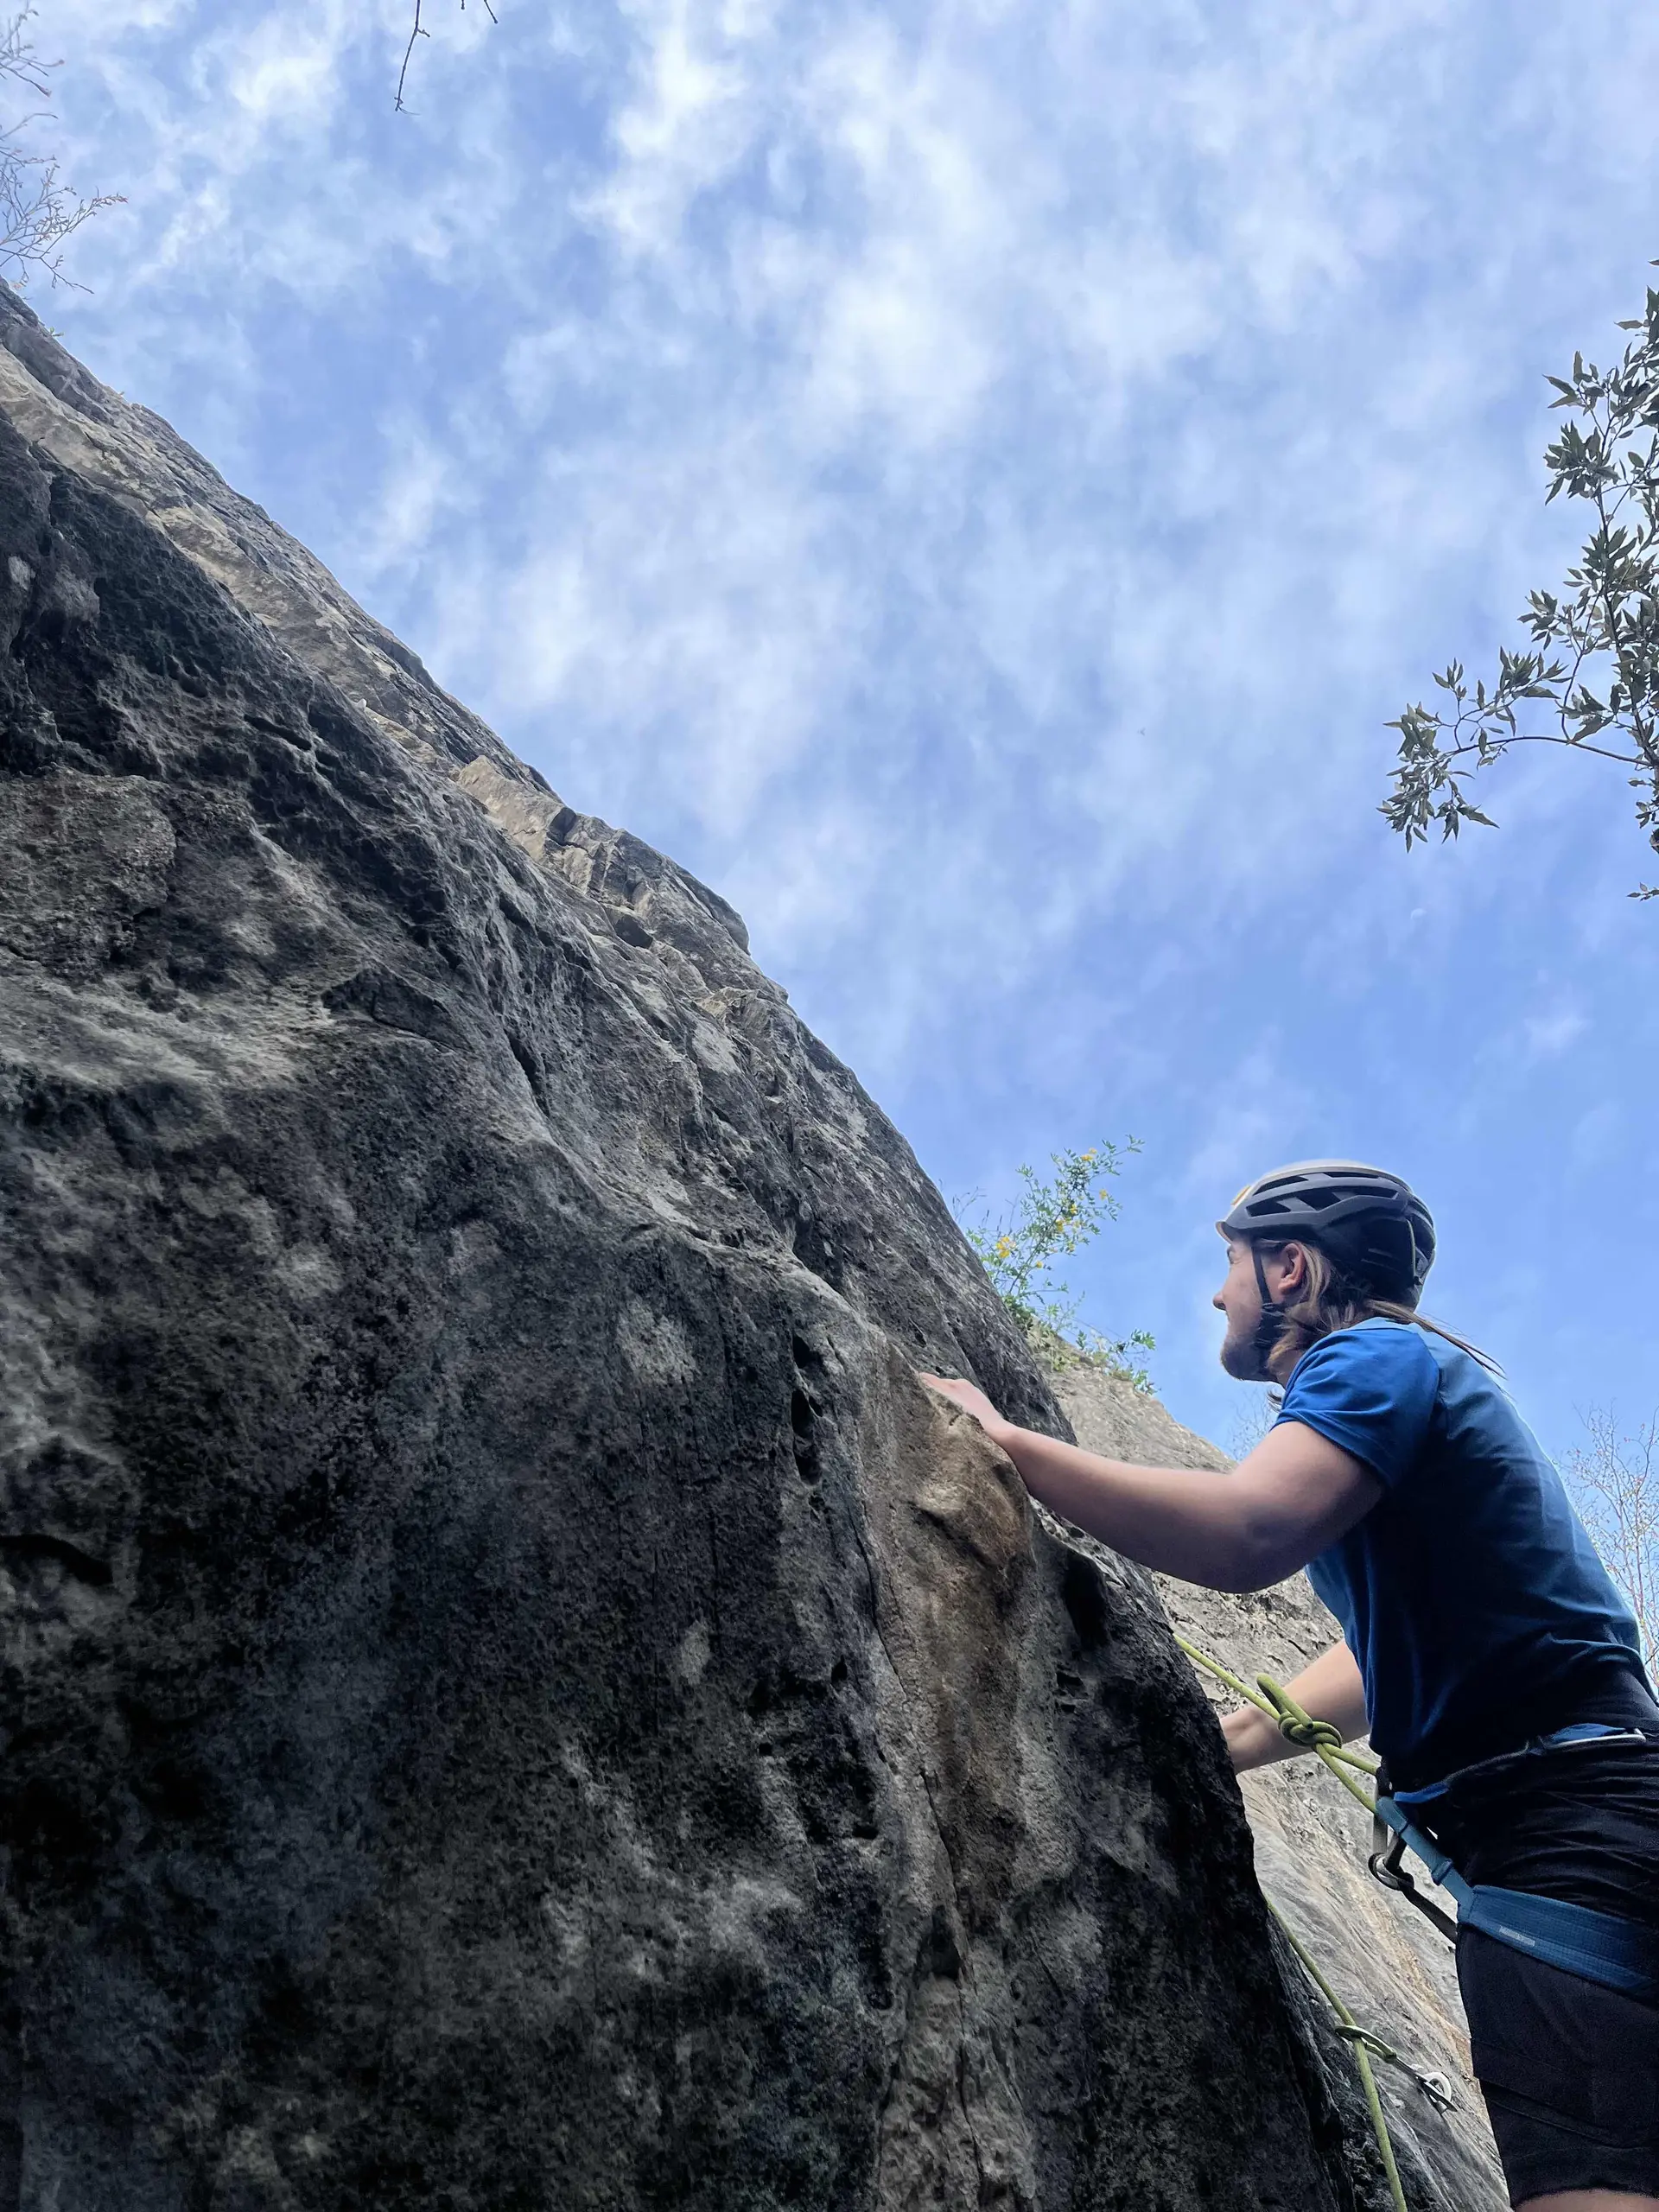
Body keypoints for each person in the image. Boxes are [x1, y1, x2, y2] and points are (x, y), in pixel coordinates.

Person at [925, 1159, 1659, 2212]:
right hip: (1603, 1808)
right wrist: (1227, 1742)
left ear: (1291, 1269)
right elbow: (1374, 1661)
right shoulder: (1424, 1396)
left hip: (1557, 1840)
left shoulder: (1367, 1356)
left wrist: (1006, 1443)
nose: (1216, 1293)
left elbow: (1250, 1531)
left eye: (1231, 1261)